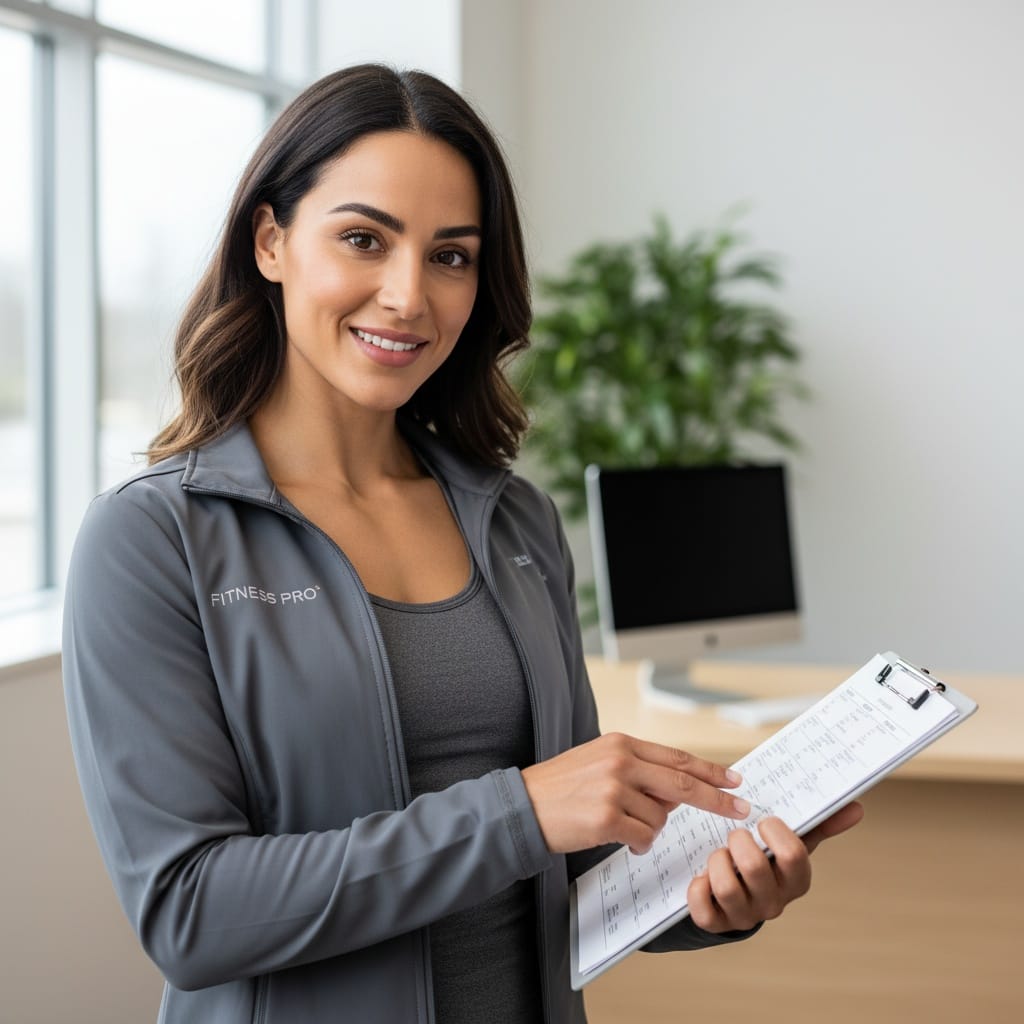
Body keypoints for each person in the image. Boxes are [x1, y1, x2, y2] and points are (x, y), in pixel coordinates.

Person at [62, 64, 862, 1024]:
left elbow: (569, 857)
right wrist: (518, 810)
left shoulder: (514, 518)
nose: (409, 296)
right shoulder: (153, 538)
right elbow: (190, 914)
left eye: (451, 255)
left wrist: (712, 894)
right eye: (363, 239)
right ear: (272, 241)